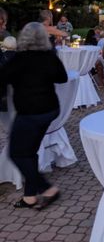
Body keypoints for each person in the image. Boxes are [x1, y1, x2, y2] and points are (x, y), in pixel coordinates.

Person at [0, 22, 67, 209]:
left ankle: (47, 189)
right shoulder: (49, 56)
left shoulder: (19, 59)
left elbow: (2, 78)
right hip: (50, 111)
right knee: (29, 152)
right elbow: (62, 77)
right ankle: (30, 196)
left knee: (17, 153)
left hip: (31, 113)